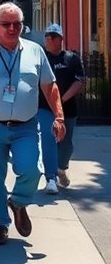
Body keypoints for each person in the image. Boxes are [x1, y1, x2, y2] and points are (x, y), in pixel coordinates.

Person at [0, 2, 66, 246]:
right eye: (6, 24)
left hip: (25, 125)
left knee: (31, 169)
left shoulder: (35, 51)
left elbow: (50, 85)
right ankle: (0, 223)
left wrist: (59, 116)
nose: (13, 28)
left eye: (18, 24)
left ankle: (17, 201)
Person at [37, 23, 86, 194]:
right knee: (48, 140)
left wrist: (61, 99)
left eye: (52, 37)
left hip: (68, 108)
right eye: (47, 37)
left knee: (66, 144)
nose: (48, 40)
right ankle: (50, 178)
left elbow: (79, 80)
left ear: (61, 39)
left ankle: (61, 169)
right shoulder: (42, 58)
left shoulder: (71, 58)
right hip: (44, 107)